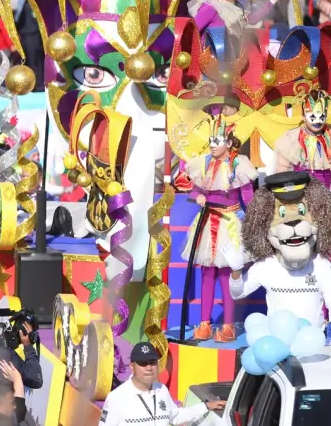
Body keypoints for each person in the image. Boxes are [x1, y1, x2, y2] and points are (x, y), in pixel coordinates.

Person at [180, 115, 256, 343]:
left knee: (227, 274)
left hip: (229, 225)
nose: (213, 145)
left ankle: (229, 325)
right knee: (206, 275)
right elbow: (193, 189)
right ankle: (204, 323)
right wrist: (199, 195)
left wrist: (253, 218)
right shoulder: (203, 163)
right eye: (211, 140)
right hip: (206, 223)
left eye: (218, 140)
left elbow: (248, 197)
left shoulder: (238, 164)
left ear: (229, 143)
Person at [98, 342, 225, 425]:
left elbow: (176, 416)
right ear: (132, 366)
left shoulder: (161, 390)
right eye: (143, 363)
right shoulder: (116, 398)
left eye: (152, 362)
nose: (149, 368)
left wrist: (206, 406)